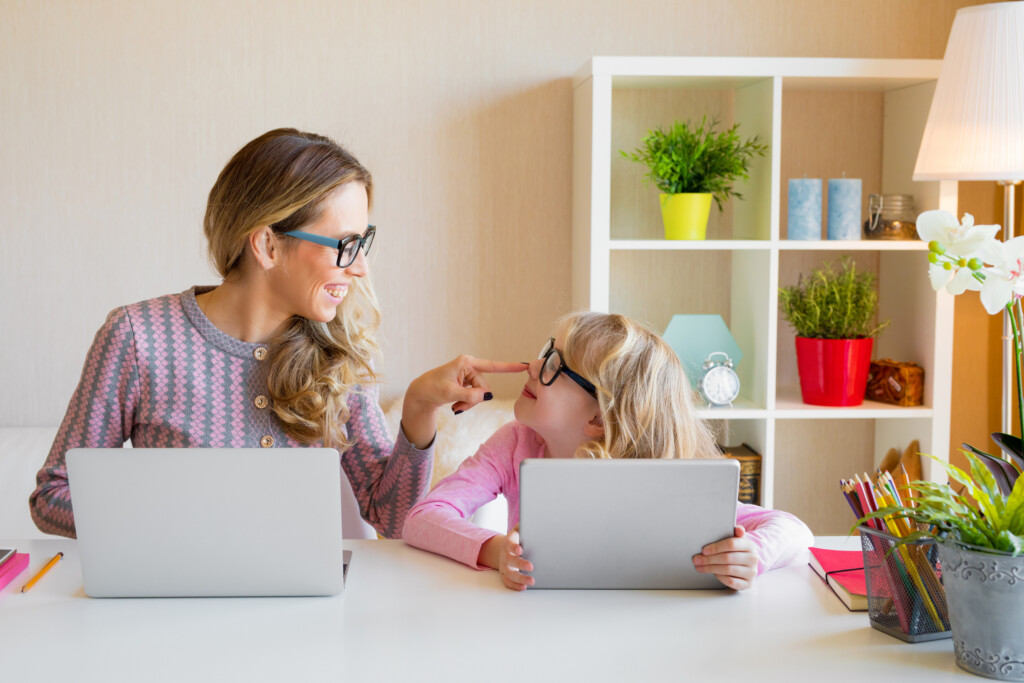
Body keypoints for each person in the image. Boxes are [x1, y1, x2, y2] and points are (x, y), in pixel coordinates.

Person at [30, 128, 524, 539]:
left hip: (307, 625)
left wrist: (418, 410)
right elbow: (54, 495)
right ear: (267, 244)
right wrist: (168, 523)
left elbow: (392, 518)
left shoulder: (340, 355)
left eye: (364, 243)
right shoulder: (138, 338)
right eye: (346, 245)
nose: (362, 269)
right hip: (174, 618)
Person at [403, 312, 814, 591]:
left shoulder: (658, 474)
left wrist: (751, 556)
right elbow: (422, 520)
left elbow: (794, 530)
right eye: (545, 352)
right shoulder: (516, 443)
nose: (532, 366)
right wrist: (496, 553)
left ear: (599, 420)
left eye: (553, 365)